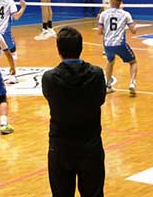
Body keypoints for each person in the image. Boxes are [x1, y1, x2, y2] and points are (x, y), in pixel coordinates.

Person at [42, 26, 106, 197]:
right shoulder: (97, 74)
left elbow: (50, 98)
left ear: (59, 50)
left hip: (60, 147)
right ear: (81, 48)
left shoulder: (49, 78)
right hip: (90, 145)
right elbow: (100, 99)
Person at [98, 0, 138, 96]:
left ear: (111, 1)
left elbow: (99, 32)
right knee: (133, 62)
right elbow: (133, 31)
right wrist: (134, 25)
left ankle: (108, 86)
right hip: (120, 43)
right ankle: (132, 83)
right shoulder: (125, 14)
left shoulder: (104, 14)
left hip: (107, 44)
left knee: (110, 61)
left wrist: (107, 32)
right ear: (121, 3)